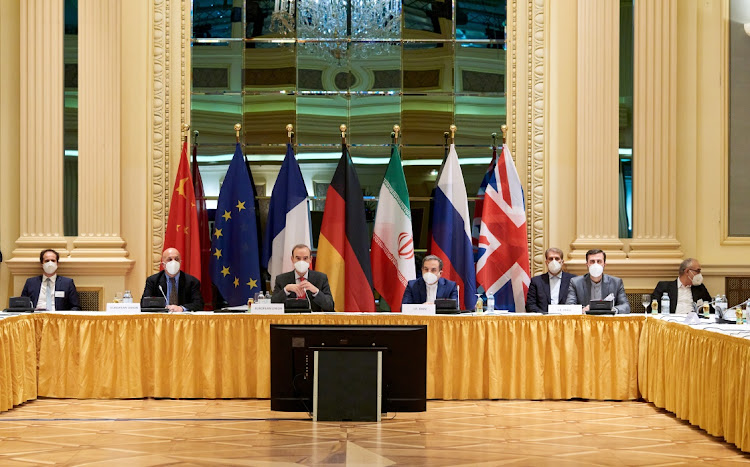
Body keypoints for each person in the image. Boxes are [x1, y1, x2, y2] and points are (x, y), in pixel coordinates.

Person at [271, 244, 334, 312]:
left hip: (313, 321)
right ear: (292, 259)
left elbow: (330, 306)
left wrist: (316, 291)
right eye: (298, 258)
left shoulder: (321, 278)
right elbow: (273, 305)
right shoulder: (281, 279)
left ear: (310, 259)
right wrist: (286, 290)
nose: (301, 261)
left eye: (305, 258)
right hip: (290, 320)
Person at [565, 249, 630, 314]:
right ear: (587, 264)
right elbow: (569, 306)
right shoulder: (576, 282)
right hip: (586, 321)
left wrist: (613, 310)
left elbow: (626, 306)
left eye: (599, 261)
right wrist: (582, 309)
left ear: (604, 264)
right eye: (592, 261)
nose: (595, 265)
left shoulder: (616, 282)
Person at [141, 248, 203, 312]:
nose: (173, 262)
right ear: (163, 265)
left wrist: (181, 308)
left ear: (180, 263)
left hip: (183, 319)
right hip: (161, 319)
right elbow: (144, 304)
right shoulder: (153, 281)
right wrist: (162, 308)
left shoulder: (191, 282)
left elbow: (199, 304)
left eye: (176, 259)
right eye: (169, 259)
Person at [526, 247, 576, 314]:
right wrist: (545, 316)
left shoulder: (573, 280)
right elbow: (530, 305)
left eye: (557, 259)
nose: (554, 261)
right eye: (551, 259)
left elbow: (577, 303)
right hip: (543, 320)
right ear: (546, 262)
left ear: (562, 262)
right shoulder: (536, 281)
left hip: (566, 320)